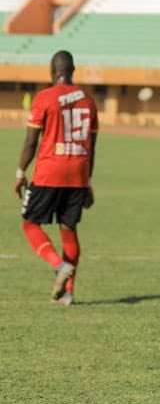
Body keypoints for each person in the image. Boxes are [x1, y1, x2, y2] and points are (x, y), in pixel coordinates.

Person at [14, 50, 98, 306]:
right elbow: (92, 146)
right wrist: (88, 181)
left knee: (29, 225)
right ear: (73, 70)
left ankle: (59, 265)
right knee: (69, 230)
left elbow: (31, 141)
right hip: (78, 173)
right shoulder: (89, 100)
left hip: (50, 171)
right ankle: (68, 293)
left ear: (52, 72)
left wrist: (20, 172)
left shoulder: (45, 97)